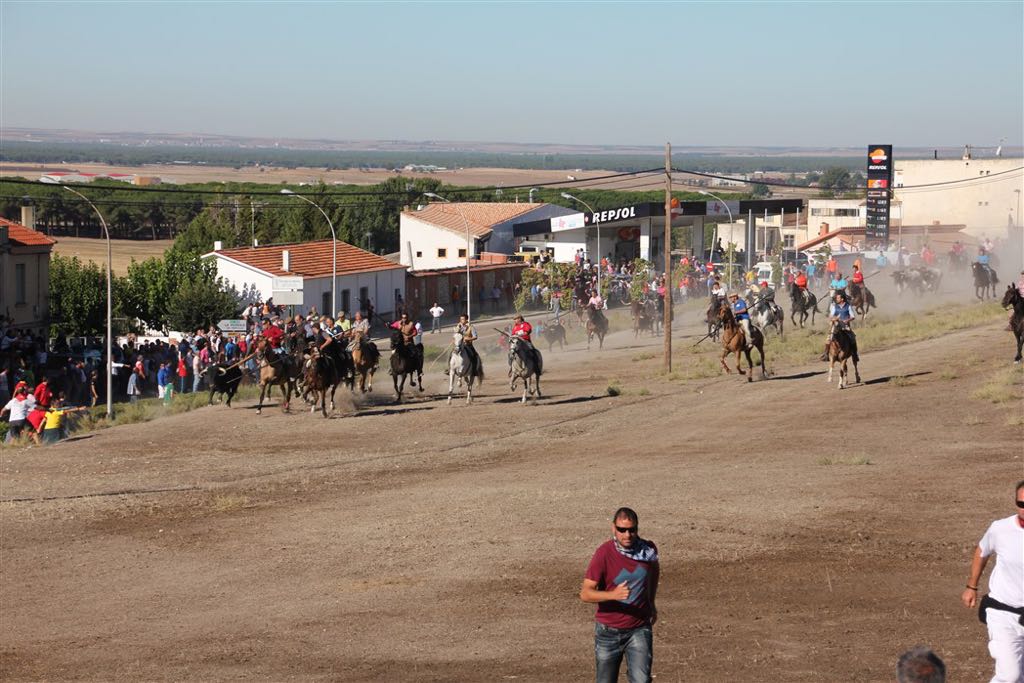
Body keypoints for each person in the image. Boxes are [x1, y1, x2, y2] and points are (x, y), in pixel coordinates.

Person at [580, 507, 659, 683]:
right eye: (622, 529)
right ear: (613, 528)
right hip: (608, 632)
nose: (627, 534)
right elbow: (585, 593)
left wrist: (651, 602)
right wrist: (612, 595)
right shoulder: (604, 553)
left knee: (642, 679)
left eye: (632, 529)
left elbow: (654, 570)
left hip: (639, 628)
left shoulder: (648, 551)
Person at [961, 481, 1024, 683]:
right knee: (1010, 676)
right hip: (1003, 612)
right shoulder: (1001, 529)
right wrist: (972, 586)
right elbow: (982, 551)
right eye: (1021, 503)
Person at [820, 291, 858, 362]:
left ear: (842, 299)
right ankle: (826, 354)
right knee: (828, 339)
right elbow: (831, 316)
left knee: (852, 338)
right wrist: (833, 318)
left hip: (845, 326)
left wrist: (847, 320)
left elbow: (853, 316)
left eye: (838, 298)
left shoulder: (848, 306)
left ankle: (855, 354)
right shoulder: (835, 307)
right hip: (836, 326)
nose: (836, 299)